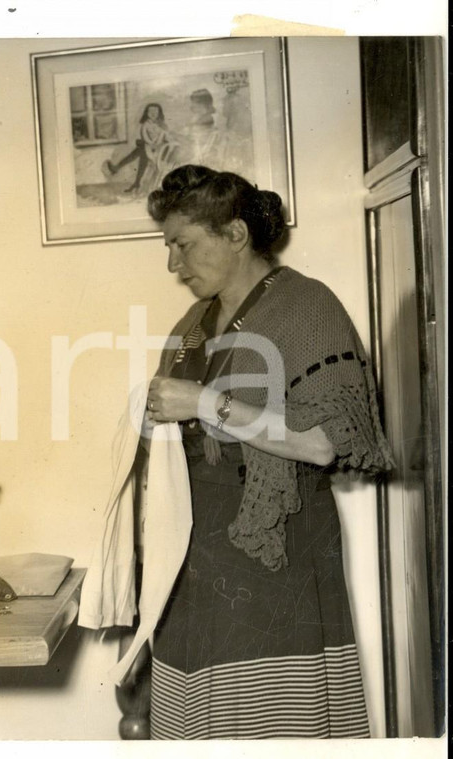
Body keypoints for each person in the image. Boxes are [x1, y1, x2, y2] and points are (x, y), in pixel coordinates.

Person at [141, 165, 393, 739]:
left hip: (276, 557)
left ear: (235, 234)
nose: (173, 265)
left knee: (274, 727)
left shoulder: (307, 307)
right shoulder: (193, 325)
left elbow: (324, 442)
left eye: (183, 245)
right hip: (195, 559)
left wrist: (204, 403)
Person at [102, 103, 171, 194]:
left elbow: (167, 139)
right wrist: (150, 143)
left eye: (155, 111)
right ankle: (136, 182)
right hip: (150, 150)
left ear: (159, 113)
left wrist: (158, 141)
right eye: (150, 111)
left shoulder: (163, 125)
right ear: (146, 113)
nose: (153, 113)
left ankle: (122, 172)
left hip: (160, 152)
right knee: (143, 150)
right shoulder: (145, 125)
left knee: (142, 148)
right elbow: (146, 139)